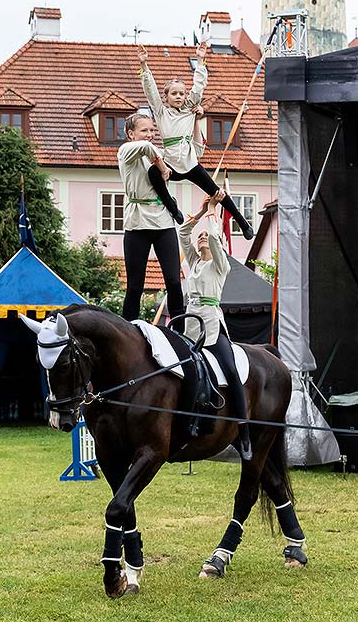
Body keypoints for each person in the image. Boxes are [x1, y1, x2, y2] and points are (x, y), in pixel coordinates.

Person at [137, 42, 254, 240]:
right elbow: (151, 91)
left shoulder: (190, 107)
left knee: (216, 191)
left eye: (181, 93)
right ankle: (173, 208)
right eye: (174, 93)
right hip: (171, 163)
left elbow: (199, 86)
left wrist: (200, 60)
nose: (179, 96)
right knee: (152, 173)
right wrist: (144, 65)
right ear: (166, 97)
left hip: (189, 163)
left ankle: (242, 222)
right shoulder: (161, 111)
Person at [178, 190, 252, 460]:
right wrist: (198, 214)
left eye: (205, 236)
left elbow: (217, 242)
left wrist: (213, 213)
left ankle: (243, 433)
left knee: (231, 371)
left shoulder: (220, 266)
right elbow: (183, 234)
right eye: (201, 236)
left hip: (212, 324)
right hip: (190, 326)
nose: (201, 237)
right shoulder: (193, 264)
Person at [117, 112, 185, 322]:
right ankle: (127, 328)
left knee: (174, 281)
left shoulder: (158, 152)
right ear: (131, 134)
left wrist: (196, 128)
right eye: (144, 130)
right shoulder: (126, 151)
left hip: (163, 222)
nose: (149, 135)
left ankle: (180, 330)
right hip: (137, 223)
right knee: (135, 285)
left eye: (152, 130)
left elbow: (187, 156)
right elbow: (147, 148)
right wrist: (163, 168)